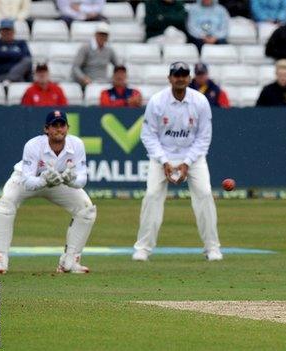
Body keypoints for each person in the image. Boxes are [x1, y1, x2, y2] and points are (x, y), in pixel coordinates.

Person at [133, 61, 223, 262]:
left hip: (193, 157)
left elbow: (203, 137)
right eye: (176, 75)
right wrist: (165, 161)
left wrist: (187, 163)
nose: (180, 78)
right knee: (152, 195)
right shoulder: (157, 101)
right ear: (169, 78)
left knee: (205, 194)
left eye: (184, 75)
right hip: (162, 156)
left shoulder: (200, 101)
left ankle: (212, 248)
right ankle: (143, 248)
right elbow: (148, 135)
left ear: (189, 78)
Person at [0, 110, 96, 274]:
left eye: (62, 125)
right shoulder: (33, 145)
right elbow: (27, 181)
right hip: (27, 180)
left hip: (59, 182)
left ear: (68, 127)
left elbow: (82, 179)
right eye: (54, 125)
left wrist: (70, 180)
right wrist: (44, 180)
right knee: (4, 206)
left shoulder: (77, 144)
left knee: (86, 210)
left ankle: (70, 261)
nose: (59, 129)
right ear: (46, 129)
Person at [72, 22, 118, 87]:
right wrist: (84, 78)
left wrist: (114, 78)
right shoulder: (85, 48)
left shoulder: (109, 50)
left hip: (104, 83)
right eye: (100, 34)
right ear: (96, 34)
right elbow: (75, 67)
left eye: (105, 35)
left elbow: (118, 66)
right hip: (88, 84)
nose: (102, 37)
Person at [0, 18, 31, 83]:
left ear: (14, 31)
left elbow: (26, 58)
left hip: (18, 76)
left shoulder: (21, 43)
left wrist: (3, 55)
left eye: (9, 30)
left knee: (27, 61)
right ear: (0, 32)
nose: (7, 32)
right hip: (0, 77)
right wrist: (15, 54)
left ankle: (9, 79)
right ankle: (9, 79)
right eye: (4, 30)